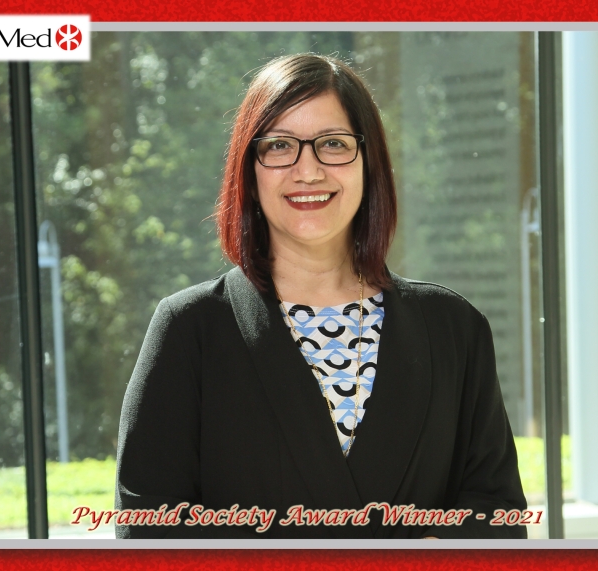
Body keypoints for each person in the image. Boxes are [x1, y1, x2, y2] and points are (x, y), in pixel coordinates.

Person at [115, 53, 527, 539]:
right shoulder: (188, 328)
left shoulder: (454, 327)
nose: (307, 171)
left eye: (333, 144)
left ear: (369, 162)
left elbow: (498, 510)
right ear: (249, 172)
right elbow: (148, 524)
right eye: (279, 146)